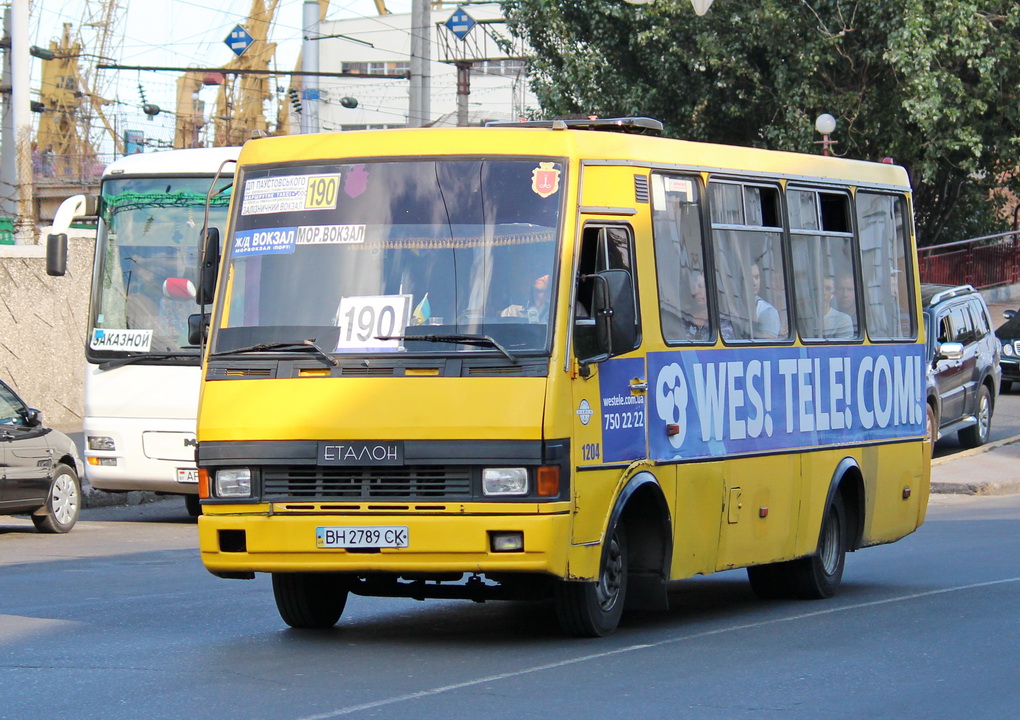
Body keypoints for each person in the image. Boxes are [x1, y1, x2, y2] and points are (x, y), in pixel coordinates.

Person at [682, 272, 733, 340]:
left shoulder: (723, 325)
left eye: (700, 286)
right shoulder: (682, 321)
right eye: (693, 287)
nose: (695, 292)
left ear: (712, 290)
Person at [751, 261, 780, 338]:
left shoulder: (767, 311)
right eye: (749, 278)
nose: (754, 283)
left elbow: (768, 346)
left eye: (757, 277)